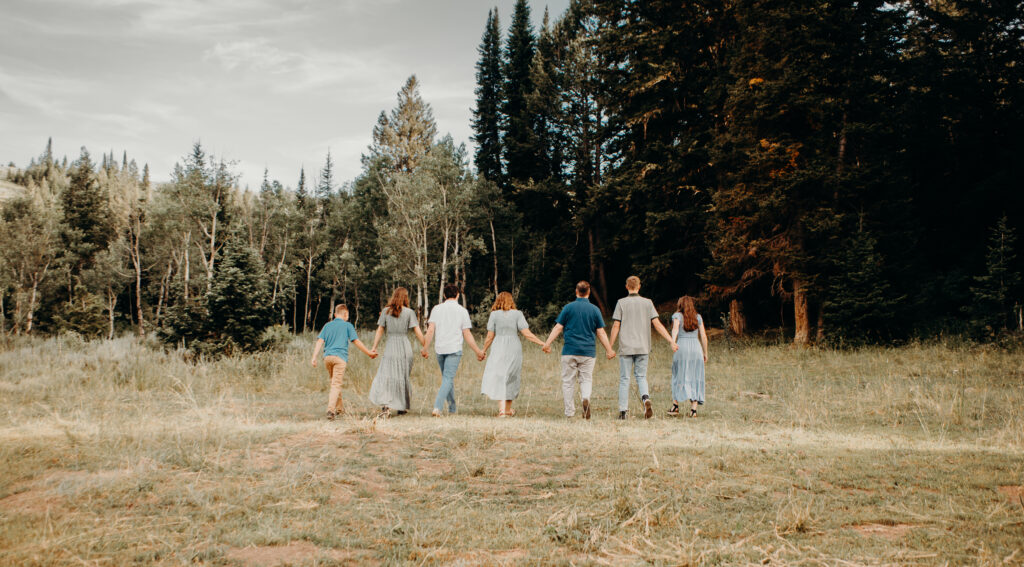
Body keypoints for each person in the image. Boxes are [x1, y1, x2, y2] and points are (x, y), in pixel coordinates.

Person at [542, 281, 615, 419]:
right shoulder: (594, 310)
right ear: (589, 292)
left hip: (569, 350)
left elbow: (558, 327)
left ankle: (569, 412)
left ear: (576, 291)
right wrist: (609, 350)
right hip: (588, 352)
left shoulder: (568, 308)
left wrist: (547, 343)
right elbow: (601, 332)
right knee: (586, 379)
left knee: (568, 382)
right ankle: (585, 398)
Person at [608, 276, 678, 420]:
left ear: (627, 287)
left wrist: (609, 346)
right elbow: (657, 324)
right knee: (641, 376)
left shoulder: (621, 303)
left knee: (624, 379)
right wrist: (671, 340)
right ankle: (646, 399)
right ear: (639, 287)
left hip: (626, 347)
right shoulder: (648, 303)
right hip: (643, 347)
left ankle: (623, 411)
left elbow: (616, 325)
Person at [420, 284, 486, 417]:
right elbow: (467, 334)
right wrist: (478, 351)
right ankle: (437, 407)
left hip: (440, 348)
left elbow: (430, 330)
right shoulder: (462, 311)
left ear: (444, 295)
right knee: (448, 379)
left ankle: (452, 408)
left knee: (447, 378)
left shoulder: (436, 309)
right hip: (454, 349)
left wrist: (425, 348)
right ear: (457, 295)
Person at [480, 291, 545, 417]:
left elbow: (489, 336)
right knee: (511, 376)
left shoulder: (494, 315)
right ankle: (507, 409)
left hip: (498, 346)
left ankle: (503, 410)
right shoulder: (517, 314)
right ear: (511, 301)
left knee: (499, 376)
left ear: (497, 301)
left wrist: (483, 350)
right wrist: (542, 343)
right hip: (514, 347)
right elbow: (527, 333)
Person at [310, 304, 377, 420]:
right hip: (340, 358)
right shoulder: (347, 326)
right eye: (348, 315)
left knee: (335, 382)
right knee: (336, 384)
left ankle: (340, 409)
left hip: (327, 358)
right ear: (345, 315)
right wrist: (369, 353)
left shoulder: (327, 325)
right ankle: (330, 410)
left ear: (335, 314)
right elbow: (356, 341)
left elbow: (320, 341)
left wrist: (314, 357)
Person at [368, 287, 426, 418]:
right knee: (402, 375)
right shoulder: (409, 312)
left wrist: (374, 347)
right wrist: (425, 346)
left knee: (387, 376)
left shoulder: (385, 311)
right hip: (404, 347)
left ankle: (386, 406)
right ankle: (401, 407)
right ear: (405, 298)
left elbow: (380, 330)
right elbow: (417, 331)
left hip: (390, 346)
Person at [669, 296, 708, 417]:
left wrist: (673, 342)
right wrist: (705, 352)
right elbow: (703, 336)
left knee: (678, 374)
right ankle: (693, 410)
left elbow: (675, 330)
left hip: (682, 347)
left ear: (680, 304)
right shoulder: (698, 317)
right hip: (696, 348)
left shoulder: (677, 316)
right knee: (696, 375)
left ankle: (675, 406)